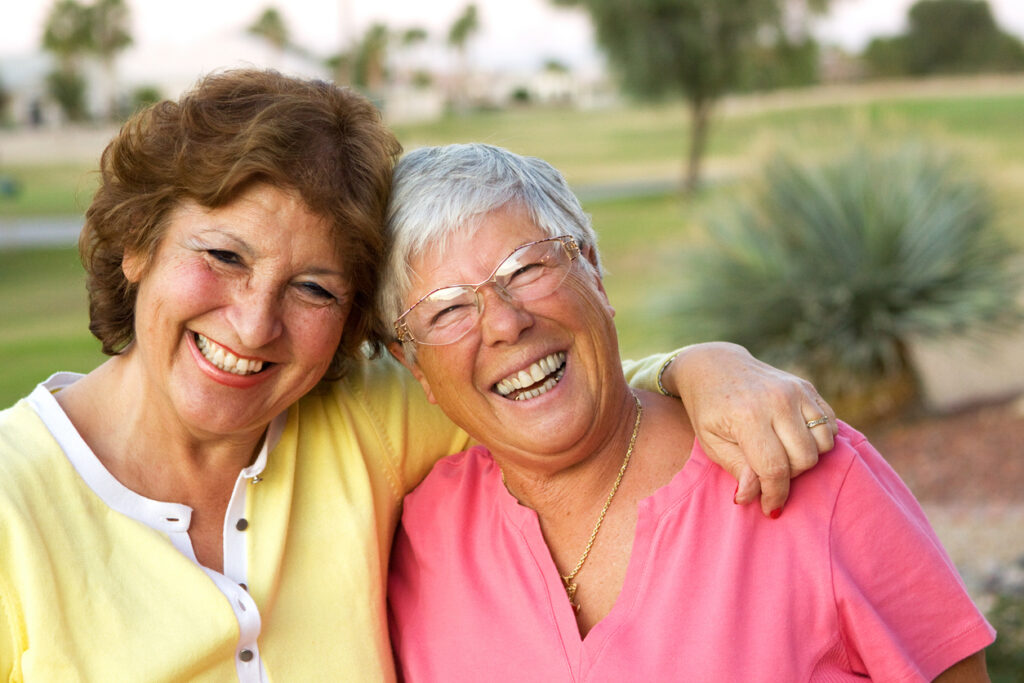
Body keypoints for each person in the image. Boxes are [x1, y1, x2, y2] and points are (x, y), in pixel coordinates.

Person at [0, 70, 838, 681]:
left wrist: (709, 369)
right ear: (137, 244)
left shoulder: (364, 418)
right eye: (222, 256)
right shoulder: (12, 502)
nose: (255, 324)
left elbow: (547, 383)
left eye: (313, 288)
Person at [383, 143, 996, 681]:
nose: (506, 323)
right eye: (446, 311)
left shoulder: (801, 466)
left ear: (593, 269)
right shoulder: (417, 538)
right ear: (414, 367)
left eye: (527, 267)